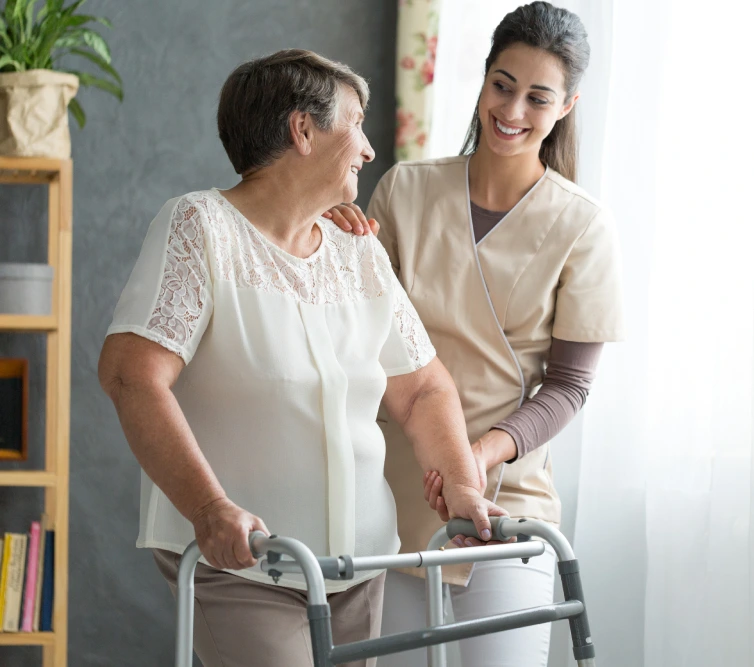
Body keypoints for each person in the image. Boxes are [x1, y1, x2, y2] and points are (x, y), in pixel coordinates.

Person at [97, 49, 503, 667]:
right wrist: (210, 510)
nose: (369, 150)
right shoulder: (201, 228)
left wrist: (463, 486)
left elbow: (422, 390)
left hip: (359, 566)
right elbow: (131, 375)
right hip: (244, 564)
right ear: (303, 130)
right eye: (357, 124)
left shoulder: (357, 249)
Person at [323, 3, 625, 665]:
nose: (513, 110)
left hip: (506, 503)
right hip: (396, 501)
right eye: (502, 84)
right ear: (484, 79)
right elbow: (354, 335)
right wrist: (334, 248)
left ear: (567, 105)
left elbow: (570, 387)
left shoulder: (584, 226)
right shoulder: (404, 190)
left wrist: (480, 454)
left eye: (537, 97)